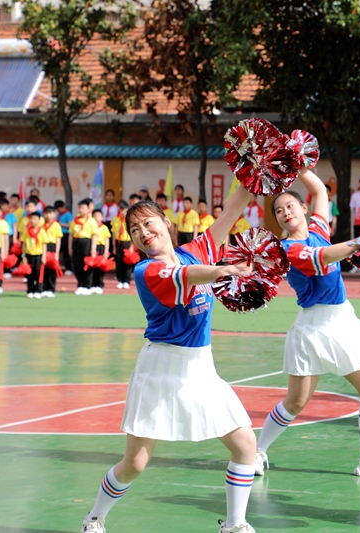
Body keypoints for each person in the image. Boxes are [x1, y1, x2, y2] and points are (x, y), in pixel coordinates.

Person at [80, 189, 260, 533]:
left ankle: (235, 525)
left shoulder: (195, 252)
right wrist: (228, 269)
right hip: (160, 368)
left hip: (201, 367)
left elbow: (231, 212)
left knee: (245, 444)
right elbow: (188, 277)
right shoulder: (145, 271)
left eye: (149, 223)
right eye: (135, 231)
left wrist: (252, 175)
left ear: (166, 222)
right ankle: (94, 517)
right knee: (135, 462)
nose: (144, 233)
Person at [255, 168, 360, 480]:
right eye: (278, 211)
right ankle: (255, 452)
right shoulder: (287, 249)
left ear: (303, 208)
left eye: (290, 206)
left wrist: (296, 163)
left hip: (343, 319)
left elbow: (321, 191)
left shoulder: (319, 228)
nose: (285, 213)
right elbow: (321, 257)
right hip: (313, 326)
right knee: (296, 401)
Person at [70, 199, 98, 296]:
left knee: (86, 264)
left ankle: (87, 285)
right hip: (76, 242)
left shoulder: (91, 221)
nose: (80, 210)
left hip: (87, 242)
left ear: (88, 209)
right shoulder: (75, 220)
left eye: (83, 208)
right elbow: (71, 234)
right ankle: (80, 284)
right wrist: (70, 247)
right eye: (79, 208)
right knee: (77, 264)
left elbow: (94, 235)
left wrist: (93, 248)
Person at [21, 211, 48, 299]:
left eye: (35, 219)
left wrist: (44, 256)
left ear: (39, 221)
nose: (32, 221)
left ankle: (38, 290)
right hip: (29, 255)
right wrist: (23, 256)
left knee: (39, 273)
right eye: (31, 219)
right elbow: (24, 244)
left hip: (39, 255)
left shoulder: (42, 232)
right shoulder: (26, 232)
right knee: (30, 274)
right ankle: (30, 290)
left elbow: (44, 245)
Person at [42, 206, 63, 297]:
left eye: (50, 213)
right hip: (43, 246)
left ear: (54, 214)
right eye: (46, 213)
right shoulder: (41, 225)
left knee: (52, 268)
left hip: (52, 246)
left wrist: (57, 252)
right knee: (43, 268)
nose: (48, 215)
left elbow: (58, 239)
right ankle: (43, 287)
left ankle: (51, 288)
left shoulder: (56, 225)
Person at [112, 201, 134, 290]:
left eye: (124, 210)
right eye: (120, 210)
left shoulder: (130, 220)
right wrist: (113, 246)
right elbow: (113, 233)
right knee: (119, 261)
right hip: (118, 242)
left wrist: (132, 246)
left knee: (127, 262)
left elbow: (133, 233)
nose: (122, 212)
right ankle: (120, 280)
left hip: (127, 242)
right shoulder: (115, 219)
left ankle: (127, 280)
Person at [91, 209, 111, 295]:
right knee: (92, 266)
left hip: (101, 247)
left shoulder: (104, 227)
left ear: (102, 217)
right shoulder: (91, 226)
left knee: (100, 267)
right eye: (95, 216)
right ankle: (92, 284)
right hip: (93, 247)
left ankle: (99, 284)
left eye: (98, 216)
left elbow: (107, 240)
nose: (96, 218)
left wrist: (106, 251)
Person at [55, 200, 74, 275]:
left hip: (65, 234)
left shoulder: (68, 214)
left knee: (66, 252)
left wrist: (61, 224)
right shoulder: (59, 214)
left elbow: (70, 225)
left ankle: (69, 268)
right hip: (59, 234)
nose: (58, 210)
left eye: (59, 208)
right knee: (59, 251)